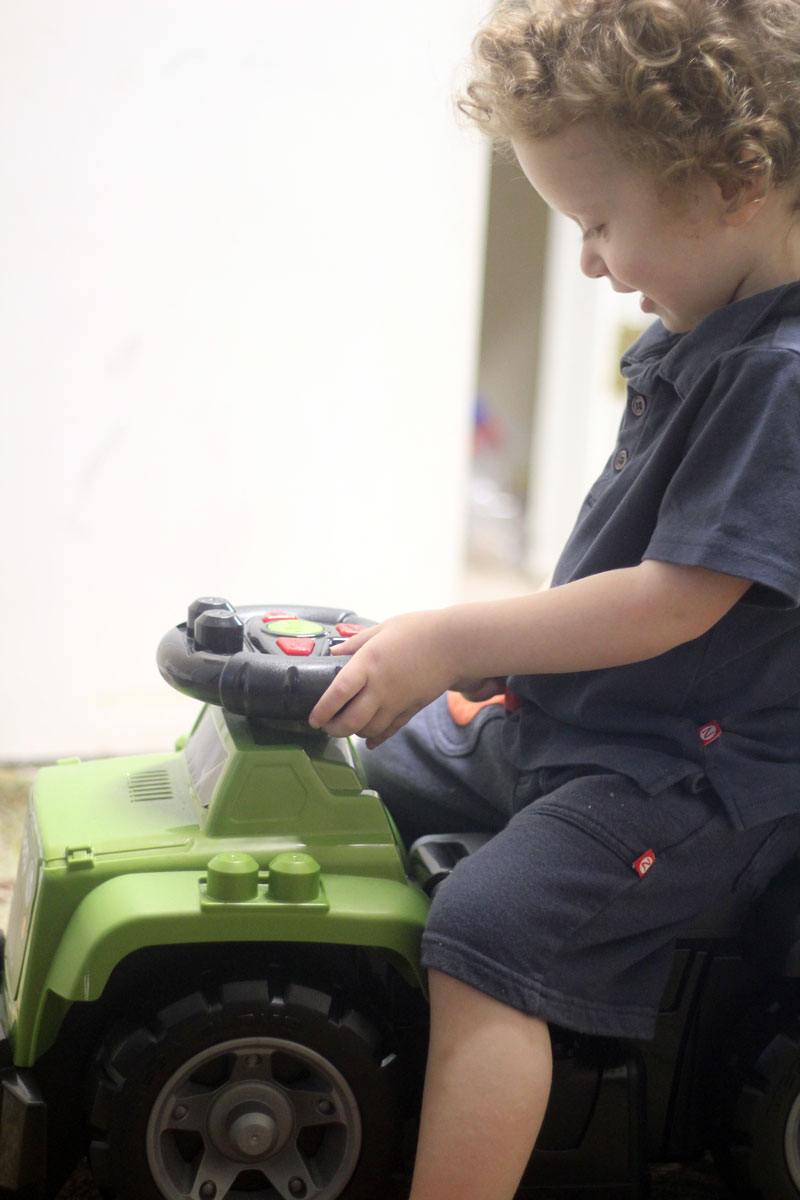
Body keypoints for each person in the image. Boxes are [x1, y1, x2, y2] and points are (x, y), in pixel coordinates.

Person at [309, 2, 800, 1197]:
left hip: (679, 778)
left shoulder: (781, 377)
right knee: (362, 770)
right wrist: (469, 666)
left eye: (596, 221)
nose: (585, 259)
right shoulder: (713, 336)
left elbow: (668, 605)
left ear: (734, 179)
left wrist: (456, 632)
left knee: (486, 930)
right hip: (585, 725)